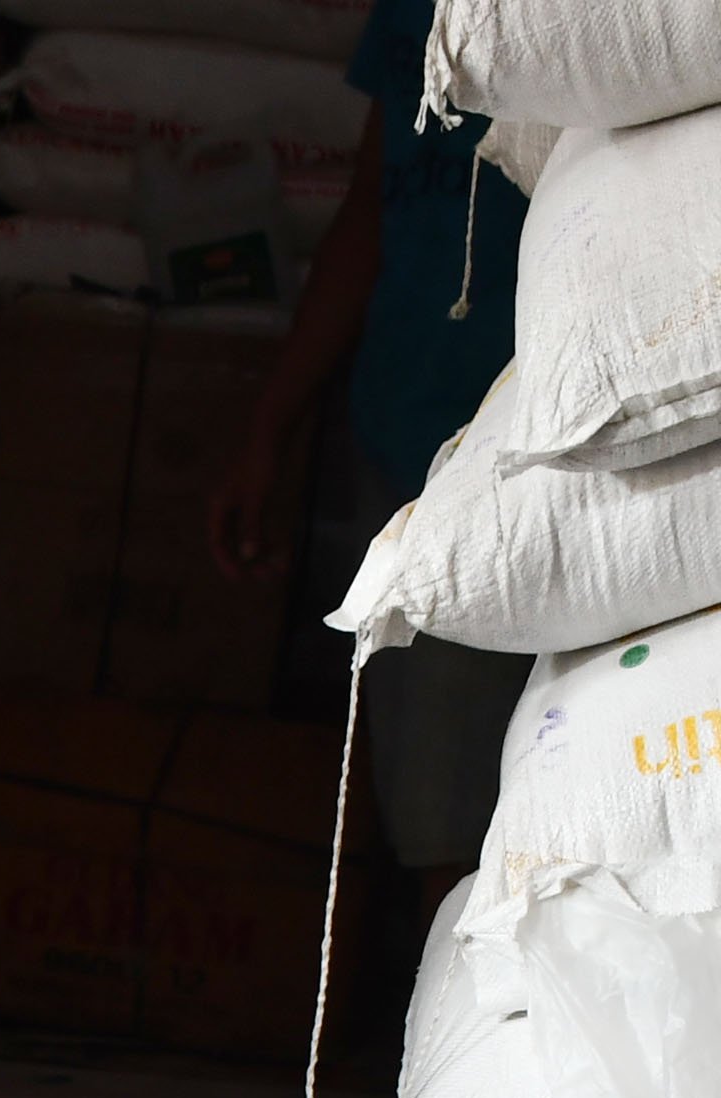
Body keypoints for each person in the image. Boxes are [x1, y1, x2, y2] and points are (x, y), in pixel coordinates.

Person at [210, 0, 526, 913]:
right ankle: (474, 1037)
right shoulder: (411, 17)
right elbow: (369, 213)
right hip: (408, 448)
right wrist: (270, 431)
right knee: (442, 817)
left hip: (557, 443)